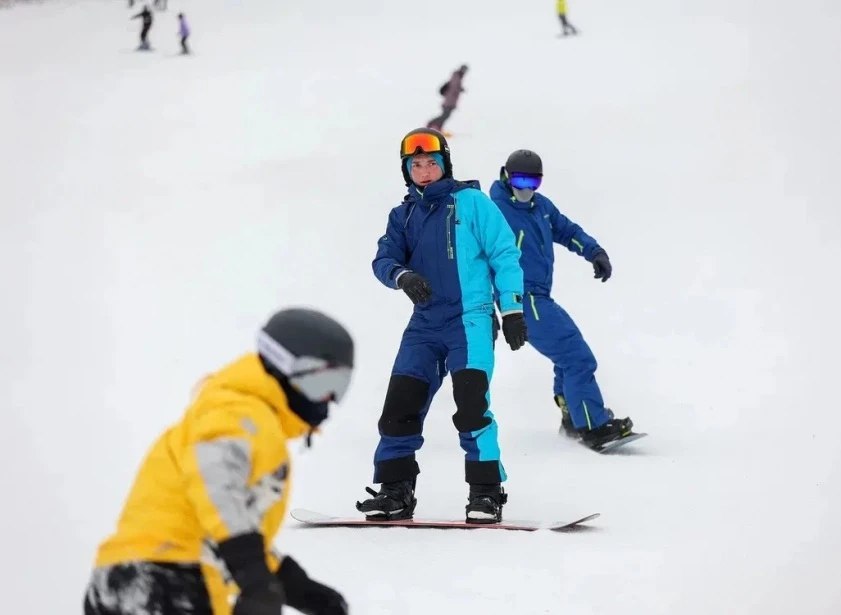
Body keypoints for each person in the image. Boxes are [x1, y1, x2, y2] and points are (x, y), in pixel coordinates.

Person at [83, 308, 353, 615]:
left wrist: (294, 585)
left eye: (339, 387)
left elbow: (225, 524)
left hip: (138, 579)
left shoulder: (246, 421)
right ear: (283, 367)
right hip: (165, 579)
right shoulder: (238, 412)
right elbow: (218, 486)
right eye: (321, 383)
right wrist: (253, 575)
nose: (328, 399)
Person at [357, 128, 527, 524]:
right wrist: (402, 276)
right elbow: (383, 259)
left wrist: (512, 310)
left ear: (445, 164)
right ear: (406, 171)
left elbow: (504, 254)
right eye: (415, 165)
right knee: (399, 407)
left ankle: (486, 492)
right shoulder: (403, 215)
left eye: (431, 163)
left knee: (471, 406)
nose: (424, 171)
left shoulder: (473, 203)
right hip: (424, 325)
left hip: (470, 319)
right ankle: (395, 491)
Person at [489, 150, 635, 452]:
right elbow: (478, 258)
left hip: (540, 296)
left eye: (533, 182)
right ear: (506, 176)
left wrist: (594, 252)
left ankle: (573, 416)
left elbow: (567, 231)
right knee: (576, 356)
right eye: (520, 180)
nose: (526, 188)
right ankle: (593, 426)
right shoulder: (496, 212)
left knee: (566, 354)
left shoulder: (540, 207)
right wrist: (488, 306)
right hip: (520, 299)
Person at [426, 65, 467, 133]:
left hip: (451, 101)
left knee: (446, 116)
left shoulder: (458, 77)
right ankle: (430, 123)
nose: (464, 72)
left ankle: (438, 128)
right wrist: (460, 89)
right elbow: (454, 87)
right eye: (464, 70)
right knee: (445, 115)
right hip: (449, 101)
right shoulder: (456, 76)